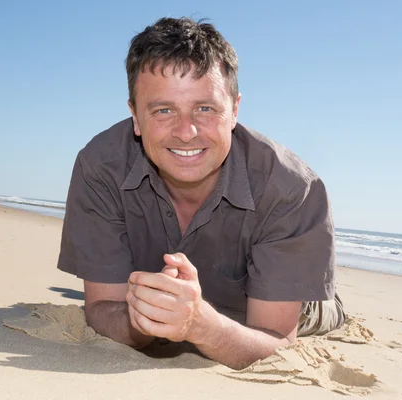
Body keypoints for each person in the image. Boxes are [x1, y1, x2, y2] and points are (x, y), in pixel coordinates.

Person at [57, 16, 346, 370]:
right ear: (134, 115)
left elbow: (278, 340)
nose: (186, 131)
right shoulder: (100, 167)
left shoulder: (292, 189)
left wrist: (199, 325)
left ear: (235, 110)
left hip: (280, 305)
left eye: (205, 108)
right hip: (177, 298)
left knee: (319, 312)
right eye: (163, 110)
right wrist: (142, 321)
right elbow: (101, 309)